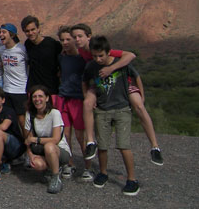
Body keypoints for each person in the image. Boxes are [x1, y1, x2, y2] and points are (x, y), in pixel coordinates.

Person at [71, 23, 162, 166]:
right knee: (87, 103)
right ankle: (90, 142)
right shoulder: (82, 51)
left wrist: (111, 68)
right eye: (74, 37)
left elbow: (130, 56)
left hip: (121, 81)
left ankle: (155, 146)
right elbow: (85, 77)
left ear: (88, 37)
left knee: (139, 106)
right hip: (99, 82)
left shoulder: (103, 49)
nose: (77, 39)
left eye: (80, 36)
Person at [82, 36, 140, 196]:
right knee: (102, 145)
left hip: (122, 108)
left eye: (101, 55)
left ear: (109, 52)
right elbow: (85, 81)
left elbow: (136, 75)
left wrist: (141, 96)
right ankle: (103, 172)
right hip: (102, 109)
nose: (98, 59)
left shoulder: (120, 63)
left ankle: (132, 179)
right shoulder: (91, 66)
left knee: (123, 145)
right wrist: (88, 96)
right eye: (95, 56)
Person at [54, 26, 92, 181]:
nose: (65, 43)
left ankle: (88, 167)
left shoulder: (83, 58)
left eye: (68, 39)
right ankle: (69, 164)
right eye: (62, 40)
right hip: (63, 98)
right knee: (66, 134)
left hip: (78, 99)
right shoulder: (61, 57)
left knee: (81, 136)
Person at [23, 85, 72, 194]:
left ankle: (56, 177)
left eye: (40, 96)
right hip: (42, 150)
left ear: (47, 98)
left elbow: (55, 139)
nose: (37, 99)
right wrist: (30, 155)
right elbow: (28, 140)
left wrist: (36, 140)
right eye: (34, 97)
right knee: (37, 164)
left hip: (59, 150)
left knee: (49, 146)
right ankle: (50, 169)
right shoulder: (30, 115)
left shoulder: (54, 113)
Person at [22, 15, 62, 97]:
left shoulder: (51, 43)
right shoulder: (27, 44)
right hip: (33, 89)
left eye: (33, 29)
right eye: (27, 31)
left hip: (51, 89)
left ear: (38, 29)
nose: (30, 33)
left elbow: (62, 58)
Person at [0, 23, 29, 132]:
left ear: (12, 34)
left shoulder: (21, 49)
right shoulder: (1, 50)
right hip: (7, 89)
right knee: (9, 120)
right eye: (0, 32)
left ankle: (28, 142)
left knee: (22, 120)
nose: (1, 35)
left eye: (4, 32)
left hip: (20, 89)